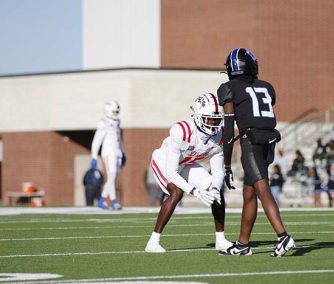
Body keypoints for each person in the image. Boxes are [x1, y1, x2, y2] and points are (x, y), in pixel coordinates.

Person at [217, 48, 295, 257]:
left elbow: (228, 127)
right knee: (249, 193)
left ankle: (283, 236)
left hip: (250, 142)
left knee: (261, 189)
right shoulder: (267, 87)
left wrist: (226, 164)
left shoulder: (228, 88)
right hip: (269, 141)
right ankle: (243, 244)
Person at [144, 93, 233, 253]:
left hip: (186, 163)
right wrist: (194, 191)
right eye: (209, 119)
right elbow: (171, 173)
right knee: (176, 193)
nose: (214, 124)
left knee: (216, 191)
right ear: (198, 117)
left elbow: (218, 172)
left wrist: (213, 188)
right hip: (163, 162)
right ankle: (153, 241)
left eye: (217, 120)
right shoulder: (182, 131)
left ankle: (220, 240)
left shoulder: (220, 135)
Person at [91, 100, 126, 210]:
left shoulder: (117, 121)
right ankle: (113, 201)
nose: (116, 113)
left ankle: (102, 200)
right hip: (108, 152)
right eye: (114, 111)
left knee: (113, 177)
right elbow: (97, 140)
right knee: (112, 175)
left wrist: (123, 152)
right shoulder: (103, 122)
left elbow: (119, 139)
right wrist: (94, 156)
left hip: (117, 152)